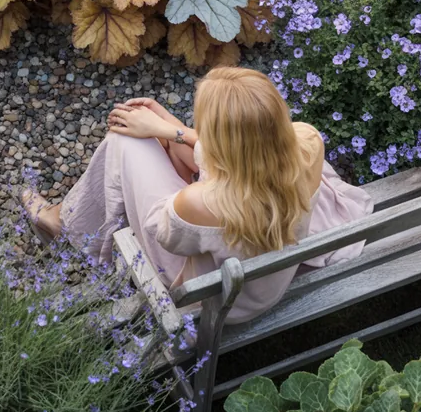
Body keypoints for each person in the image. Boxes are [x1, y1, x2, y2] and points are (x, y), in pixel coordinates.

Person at [23, 68, 373, 324]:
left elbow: (164, 234)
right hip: (266, 281)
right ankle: (72, 214)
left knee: (124, 141)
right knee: (161, 144)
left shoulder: (197, 202)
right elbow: (244, 158)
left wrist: (161, 141)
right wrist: (171, 131)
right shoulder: (306, 142)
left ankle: (64, 224)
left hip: (221, 302)